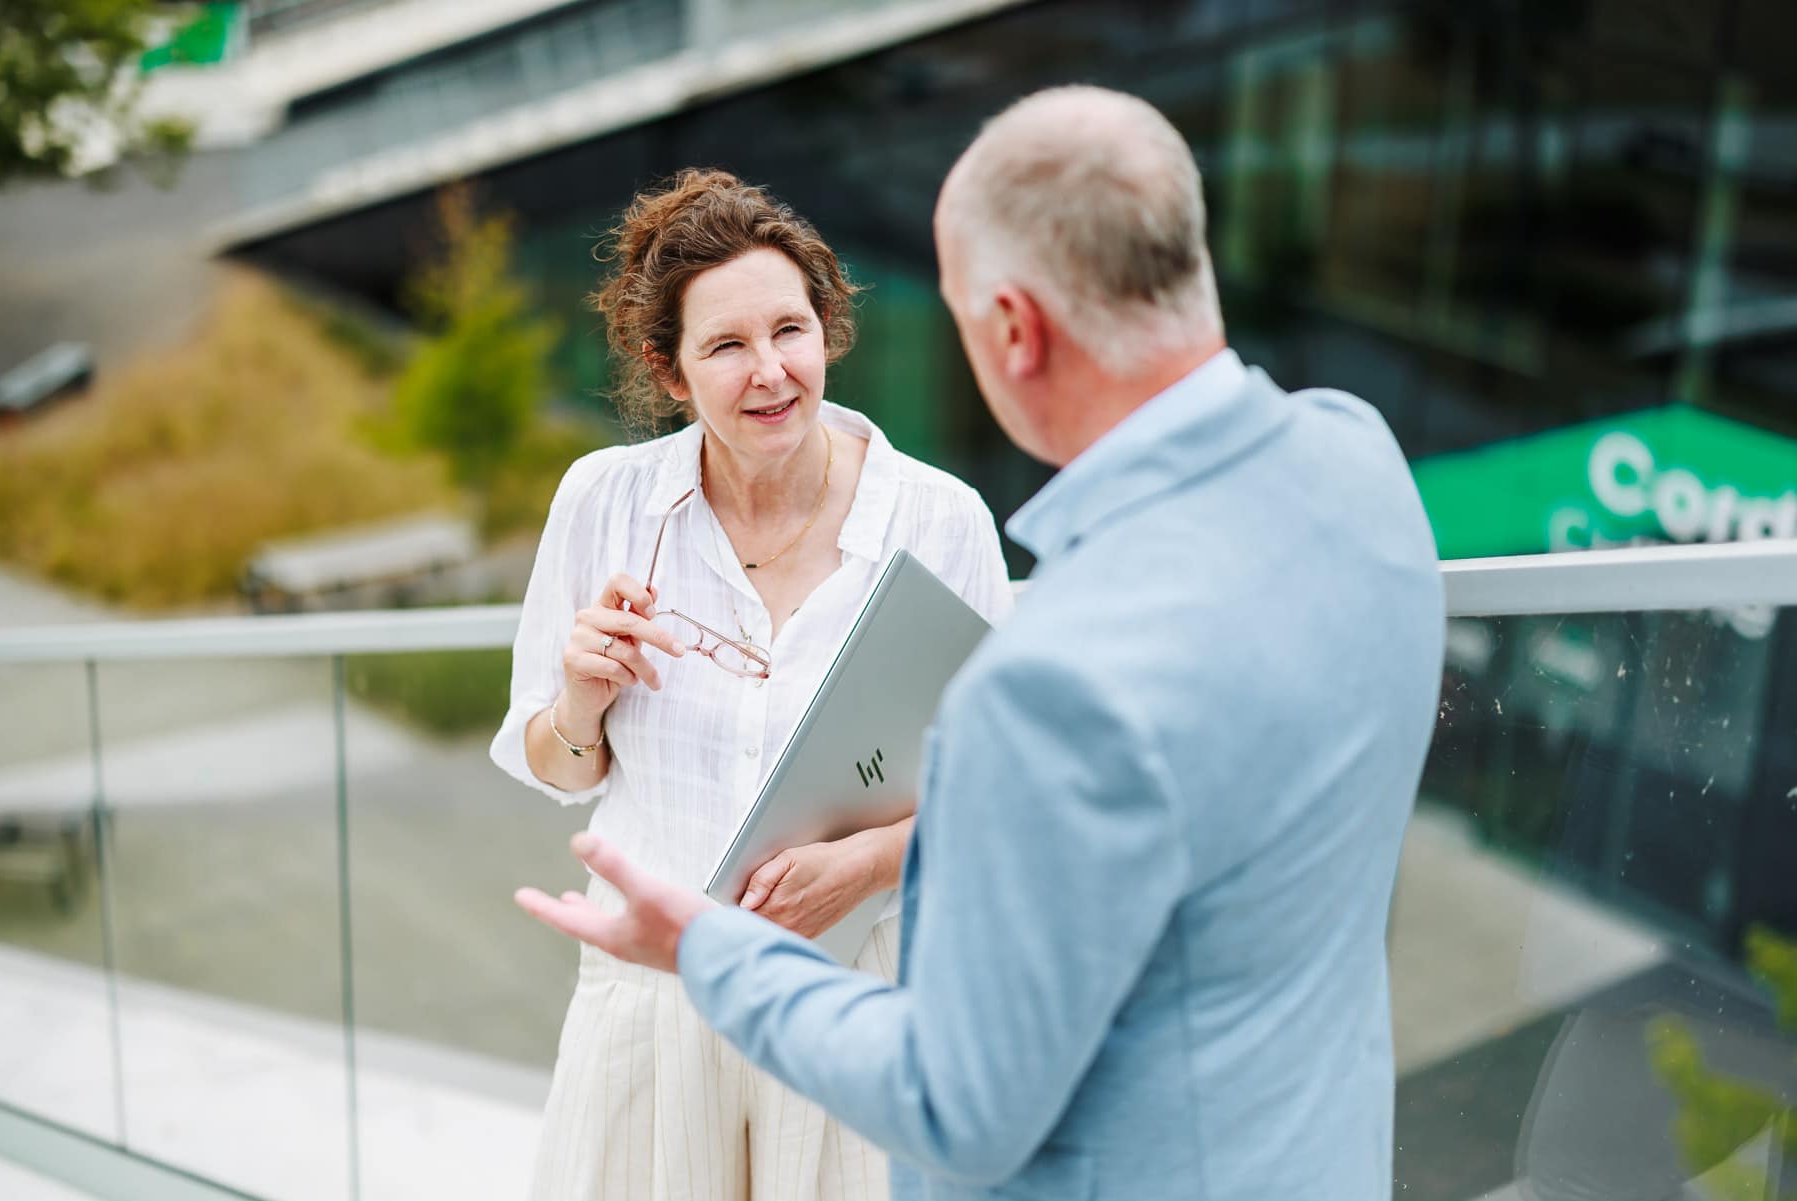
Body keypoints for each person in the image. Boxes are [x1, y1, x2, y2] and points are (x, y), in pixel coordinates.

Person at [517, 87, 1444, 1201]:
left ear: (1013, 329)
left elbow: (958, 1103)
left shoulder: (1055, 676)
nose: (773, 368)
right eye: (726, 345)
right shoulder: (1361, 462)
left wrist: (709, 951)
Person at [490, 168, 1013, 1201]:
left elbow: (1006, 785)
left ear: (827, 328)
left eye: (790, 330)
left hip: (856, 990)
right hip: (655, 991)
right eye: (726, 346)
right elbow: (554, 764)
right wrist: (581, 703)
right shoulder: (605, 501)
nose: (771, 371)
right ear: (670, 371)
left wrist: (865, 862)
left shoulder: (941, 520)